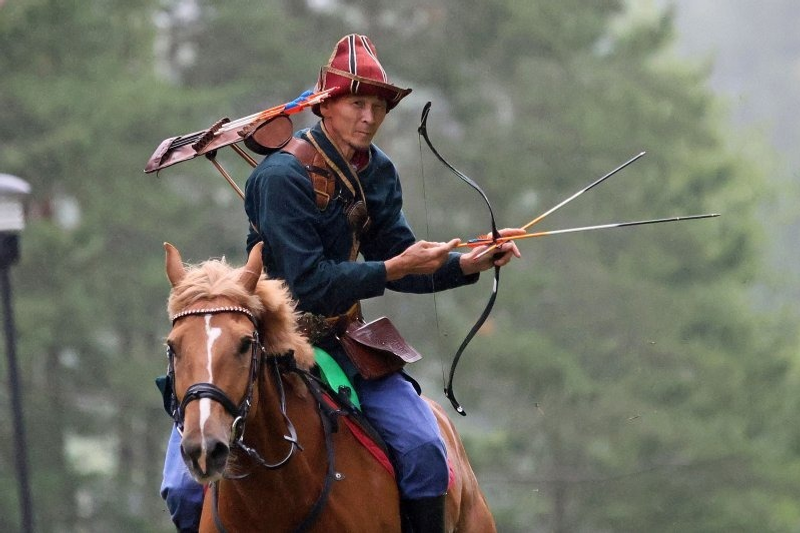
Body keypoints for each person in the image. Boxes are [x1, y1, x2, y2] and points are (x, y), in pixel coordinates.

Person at [161, 33, 522, 533]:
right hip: (262, 348)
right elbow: (308, 282)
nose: (369, 117)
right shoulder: (280, 177)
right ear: (325, 106)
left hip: (347, 347)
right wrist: (396, 267)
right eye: (357, 103)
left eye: (377, 106)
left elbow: (399, 260)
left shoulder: (378, 173)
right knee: (181, 489)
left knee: (423, 451)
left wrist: (469, 264)